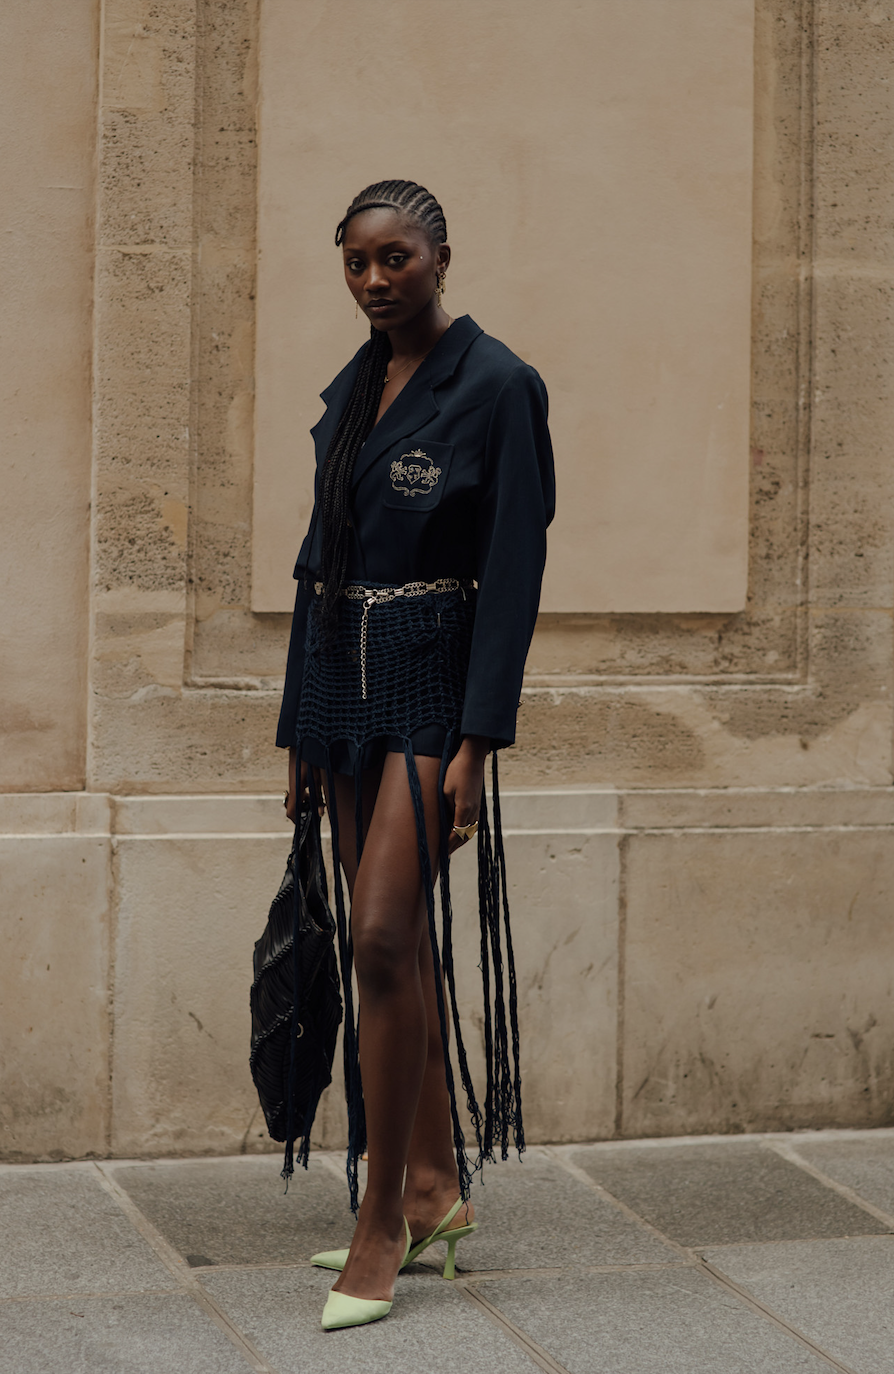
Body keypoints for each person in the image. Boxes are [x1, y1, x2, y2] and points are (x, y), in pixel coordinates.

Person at [277, 179, 555, 1331]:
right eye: (355, 261)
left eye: (395, 257)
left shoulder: (496, 386)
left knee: (388, 936)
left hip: (433, 676)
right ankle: (440, 1188)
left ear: (442, 256)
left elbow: (513, 582)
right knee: (383, 948)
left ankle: (381, 1215)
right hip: (341, 678)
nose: (375, 279)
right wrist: (296, 725)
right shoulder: (354, 385)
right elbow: (315, 563)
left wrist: (479, 746)